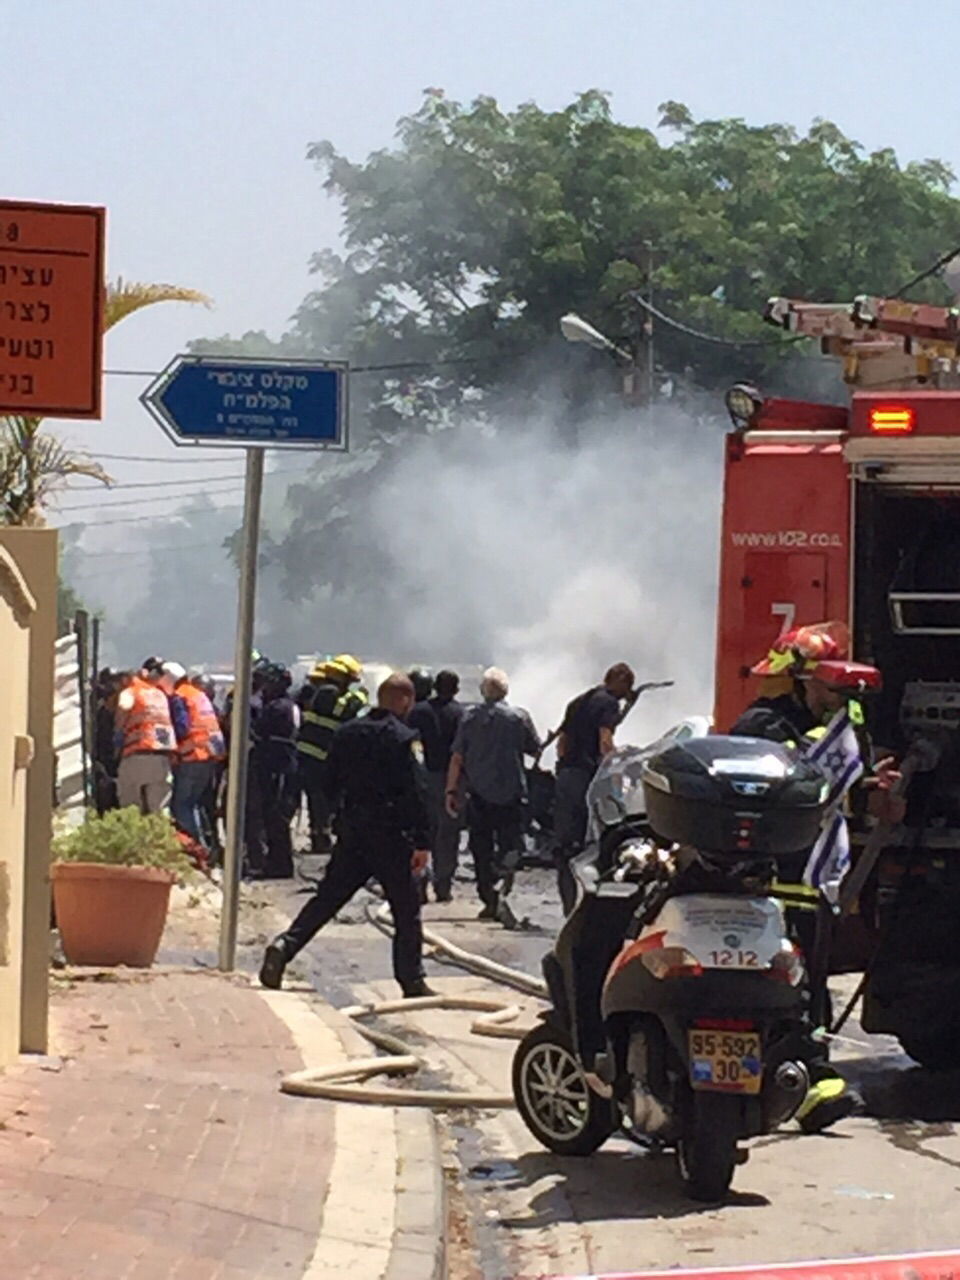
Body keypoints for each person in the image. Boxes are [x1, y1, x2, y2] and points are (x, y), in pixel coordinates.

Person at [731, 621, 900, 1134]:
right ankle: (795, 1081)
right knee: (778, 980)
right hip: (771, 877)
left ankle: (806, 1077)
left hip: (812, 875)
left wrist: (873, 786)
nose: (839, 693)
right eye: (829, 684)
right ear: (800, 680)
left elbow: (833, 788)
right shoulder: (763, 724)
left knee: (811, 980)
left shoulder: (838, 721)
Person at [259, 673, 434, 998]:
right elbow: (416, 792)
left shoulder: (347, 732)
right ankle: (412, 981)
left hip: (354, 830)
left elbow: (328, 783)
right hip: (392, 834)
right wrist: (423, 841)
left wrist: (339, 817)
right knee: (406, 910)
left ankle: (284, 947)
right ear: (405, 701)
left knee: (327, 899)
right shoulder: (404, 737)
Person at [446, 667, 540, 922]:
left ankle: (488, 896)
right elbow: (534, 748)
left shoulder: (469, 718)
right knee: (511, 846)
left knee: (480, 848)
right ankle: (501, 888)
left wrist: (452, 790)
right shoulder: (519, 717)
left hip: (478, 794)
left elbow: (457, 758)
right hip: (511, 793)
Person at [553, 662, 636, 914]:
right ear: (618, 682)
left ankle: (568, 903)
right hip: (588, 778)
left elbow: (562, 742)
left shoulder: (579, 700)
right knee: (595, 844)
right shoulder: (608, 703)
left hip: (567, 775)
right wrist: (615, 771)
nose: (626, 692)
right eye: (627, 687)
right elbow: (605, 741)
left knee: (566, 846)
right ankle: (589, 906)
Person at [296, 654, 367, 854]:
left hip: (310, 754)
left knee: (316, 799)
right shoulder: (330, 694)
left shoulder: (314, 692)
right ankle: (323, 837)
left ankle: (319, 836)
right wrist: (362, 694)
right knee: (326, 799)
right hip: (321, 755)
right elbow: (344, 709)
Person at [408, 669, 465, 902]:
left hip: (422, 777)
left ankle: (420, 881)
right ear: (456, 689)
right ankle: (443, 885)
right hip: (451, 780)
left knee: (421, 832)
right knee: (448, 835)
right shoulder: (461, 714)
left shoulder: (418, 712)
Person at [247, 663, 300, 879]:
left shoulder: (278, 708)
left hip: (277, 765)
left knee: (275, 817)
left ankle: (279, 865)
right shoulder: (287, 704)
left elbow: (260, 732)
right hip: (282, 763)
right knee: (275, 817)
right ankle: (277, 862)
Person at [167, 664, 226, 849]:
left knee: (182, 806)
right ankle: (207, 847)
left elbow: (182, 728)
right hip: (208, 757)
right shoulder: (198, 695)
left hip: (190, 757)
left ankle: (196, 850)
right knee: (195, 805)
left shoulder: (180, 695)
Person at [114, 657, 177, 814]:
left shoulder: (132, 690)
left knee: (131, 806)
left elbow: (124, 706)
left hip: (137, 755)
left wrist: (118, 728)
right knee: (160, 809)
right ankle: (160, 837)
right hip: (161, 757)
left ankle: (134, 837)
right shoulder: (160, 696)